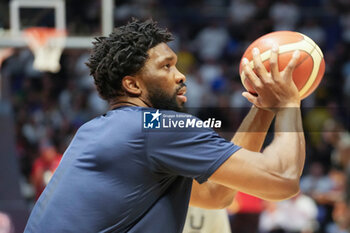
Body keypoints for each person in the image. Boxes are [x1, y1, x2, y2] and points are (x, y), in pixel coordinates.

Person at [24, 19, 305, 233]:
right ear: (132, 84)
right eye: (166, 66)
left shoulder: (94, 131)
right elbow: (282, 179)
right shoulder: (157, 126)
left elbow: (217, 194)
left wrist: (263, 107)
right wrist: (290, 102)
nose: (181, 76)